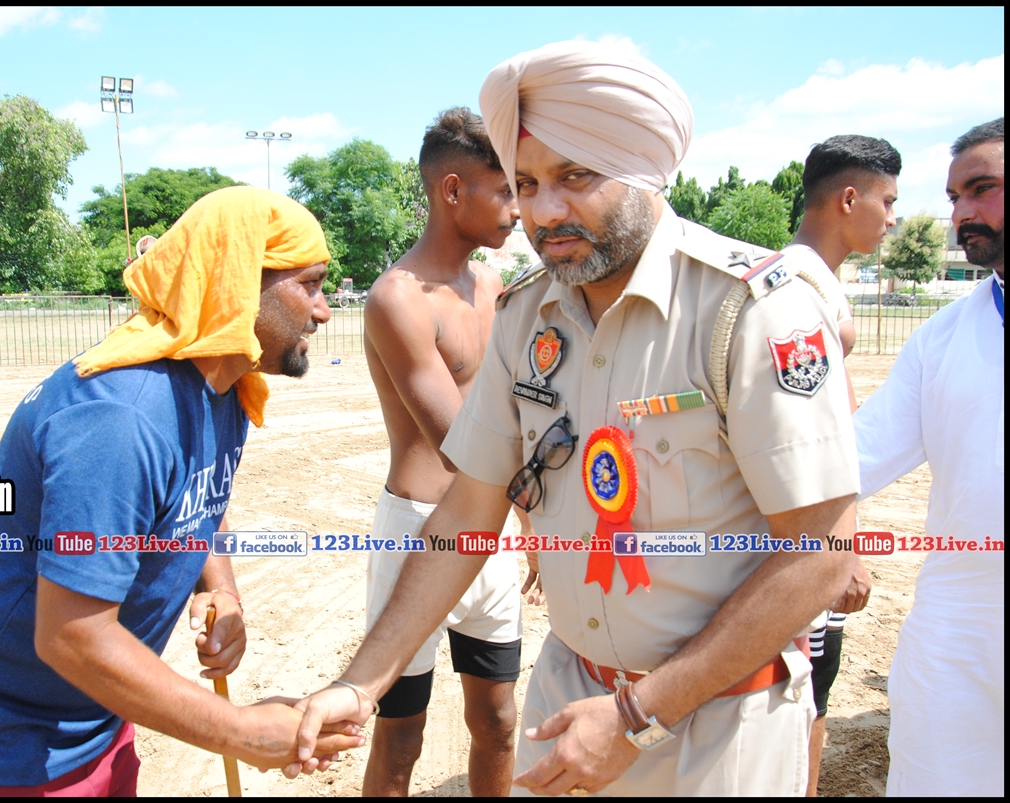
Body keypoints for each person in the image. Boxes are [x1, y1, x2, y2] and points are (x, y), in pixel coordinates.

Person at [292, 40, 863, 796]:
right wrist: (360, 683)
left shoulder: (752, 310)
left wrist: (636, 716)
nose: (542, 211)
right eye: (526, 183)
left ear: (645, 170)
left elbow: (821, 550)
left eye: (575, 177)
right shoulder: (527, 315)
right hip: (568, 710)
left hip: (719, 731)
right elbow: (467, 510)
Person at [0, 187, 362, 796]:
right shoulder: (121, 419)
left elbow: (201, 501)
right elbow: (72, 635)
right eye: (311, 285)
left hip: (90, 709)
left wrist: (220, 588)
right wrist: (243, 733)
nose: (323, 312)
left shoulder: (224, 382)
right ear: (238, 284)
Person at [361, 106, 527, 796]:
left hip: (493, 528)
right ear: (452, 190)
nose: (519, 209)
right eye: (506, 190)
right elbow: (464, 447)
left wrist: (527, 526)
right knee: (401, 736)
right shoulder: (397, 299)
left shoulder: (493, 286)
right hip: (418, 532)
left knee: (498, 720)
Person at [853, 117, 1004, 797]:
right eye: (953, 197)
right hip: (960, 622)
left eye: (982, 188)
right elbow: (853, 457)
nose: (962, 212)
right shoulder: (941, 339)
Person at [788, 134, 902, 795]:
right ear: (849, 198)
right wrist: (842, 549)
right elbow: (807, 443)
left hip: (809, 532)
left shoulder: (816, 283)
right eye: (888, 202)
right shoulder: (797, 291)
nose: (892, 219)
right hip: (802, 538)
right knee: (804, 692)